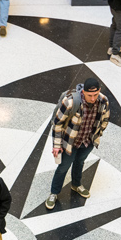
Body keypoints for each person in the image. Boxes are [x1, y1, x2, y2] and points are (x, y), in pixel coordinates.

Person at [45, 77, 110, 210]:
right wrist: (57, 145)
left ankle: (76, 184)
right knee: (63, 167)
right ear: (83, 92)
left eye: (95, 94)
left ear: (99, 91)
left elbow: (105, 119)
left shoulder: (103, 101)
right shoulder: (70, 102)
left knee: (80, 162)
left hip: (87, 142)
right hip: (70, 142)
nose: (93, 98)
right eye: (89, 95)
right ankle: (54, 192)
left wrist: (97, 135)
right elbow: (57, 124)